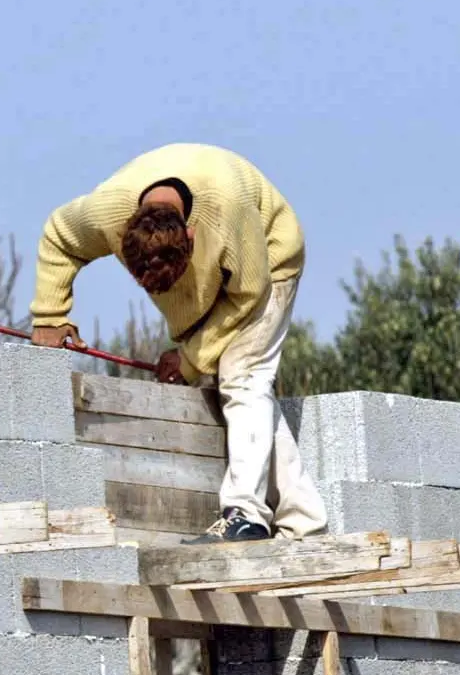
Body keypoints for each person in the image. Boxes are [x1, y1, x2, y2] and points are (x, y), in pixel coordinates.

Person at [27, 143, 326, 543]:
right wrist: (50, 316)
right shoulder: (105, 213)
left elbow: (250, 293)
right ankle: (304, 520)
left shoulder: (226, 210)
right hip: (222, 272)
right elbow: (59, 236)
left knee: (243, 377)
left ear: (191, 234)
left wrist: (190, 358)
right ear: (121, 234)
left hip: (267, 265)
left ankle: (246, 512)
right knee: (238, 390)